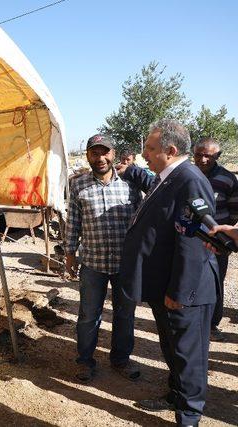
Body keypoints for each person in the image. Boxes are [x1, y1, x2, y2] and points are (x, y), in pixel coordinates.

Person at [119, 120, 218, 427]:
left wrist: (179, 293)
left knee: (188, 355)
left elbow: (193, 244)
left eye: (149, 148)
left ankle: (189, 415)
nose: (144, 154)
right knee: (172, 348)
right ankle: (176, 395)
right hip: (168, 287)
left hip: (185, 292)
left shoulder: (189, 180)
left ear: (170, 151)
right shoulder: (168, 178)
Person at [64, 134, 142, 383]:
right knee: (88, 315)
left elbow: (138, 223)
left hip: (124, 265)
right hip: (93, 264)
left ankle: (121, 360)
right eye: (94, 153)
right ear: (87, 155)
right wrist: (69, 254)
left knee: (125, 314)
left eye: (104, 152)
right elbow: (73, 222)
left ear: (113, 154)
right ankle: (84, 361)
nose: (100, 158)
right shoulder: (77, 184)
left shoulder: (130, 184)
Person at [193, 137, 238, 342]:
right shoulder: (186, 175)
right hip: (189, 240)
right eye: (199, 155)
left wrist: (225, 236)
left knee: (215, 283)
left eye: (208, 156)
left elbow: (235, 212)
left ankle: (212, 324)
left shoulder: (228, 179)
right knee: (188, 280)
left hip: (217, 244)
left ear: (217, 157)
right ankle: (190, 321)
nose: (202, 159)